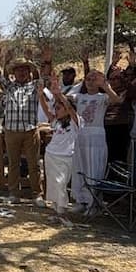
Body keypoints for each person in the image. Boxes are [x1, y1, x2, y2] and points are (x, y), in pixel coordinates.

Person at [0, 46, 49, 205]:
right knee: (13, 163)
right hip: (11, 131)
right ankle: (14, 194)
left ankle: (37, 194)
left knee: (34, 164)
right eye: (18, 70)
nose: (21, 73)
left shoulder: (35, 87)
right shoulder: (9, 87)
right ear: (13, 73)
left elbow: (46, 78)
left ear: (29, 72)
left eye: (24, 70)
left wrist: (47, 60)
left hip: (30, 130)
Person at [71, 70, 122, 213]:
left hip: (96, 136)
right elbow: (63, 97)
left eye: (94, 79)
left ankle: (93, 203)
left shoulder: (102, 97)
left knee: (94, 169)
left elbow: (117, 100)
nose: (90, 81)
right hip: (81, 135)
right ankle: (81, 200)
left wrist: (105, 86)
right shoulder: (79, 97)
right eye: (88, 79)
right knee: (80, 168)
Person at [43, 76, 79, 213]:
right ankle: (56, 210)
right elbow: (46, 110)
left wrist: (58, 94)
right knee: (52, 184)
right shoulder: (56, 122)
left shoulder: (75, 121)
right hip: (51, 155)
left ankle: (62, 211)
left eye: (59, 108)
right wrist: (41, 95)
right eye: (56, 108)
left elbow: (70, 108)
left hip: (65, 157)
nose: (56, 111)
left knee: (61, 183)